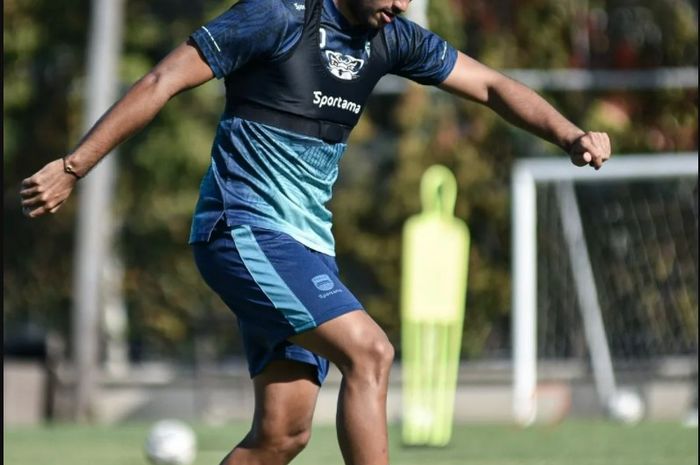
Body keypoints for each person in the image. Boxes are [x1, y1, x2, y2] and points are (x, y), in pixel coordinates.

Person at [20, 0, 611, 464]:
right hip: (242, 228)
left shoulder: (392, 36)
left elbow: (491, 86)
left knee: (282, 435)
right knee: (371, 352)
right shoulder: (275, 16)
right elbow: (160, 82)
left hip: (304, 248)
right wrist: (73, 168)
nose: (403, 5)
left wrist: (570, 135)